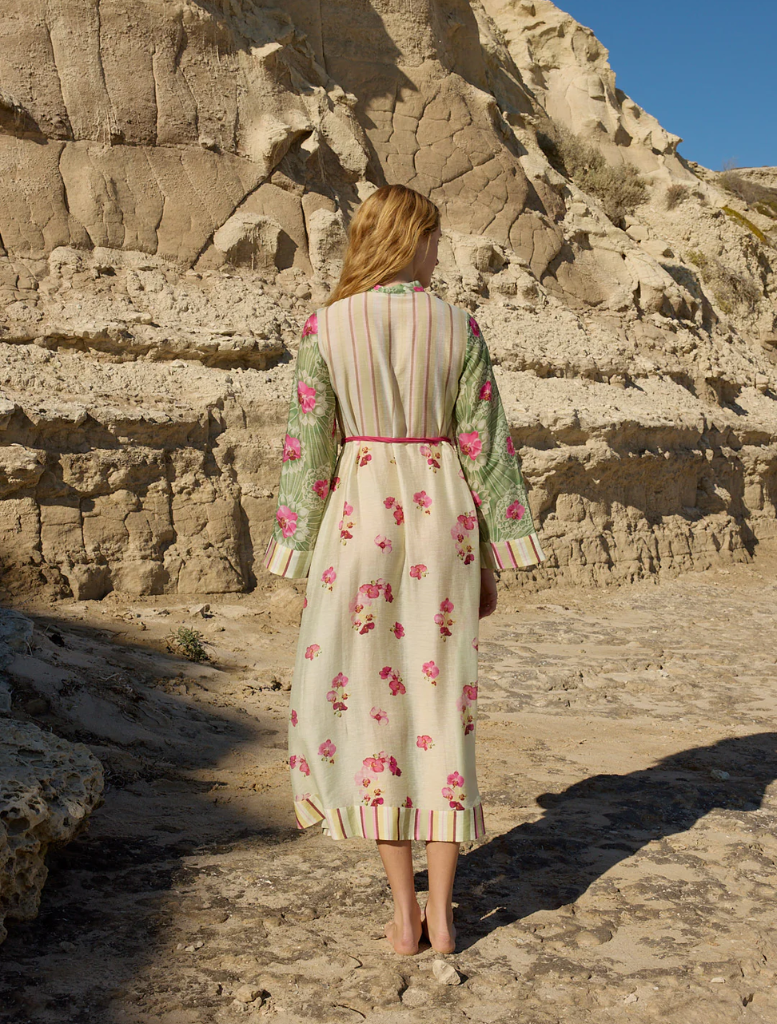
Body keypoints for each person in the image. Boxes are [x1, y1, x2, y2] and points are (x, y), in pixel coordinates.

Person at [263, 184, 547, 956]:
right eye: (431, 238)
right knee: (438, 708)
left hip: (359, 520)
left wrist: (297, 557)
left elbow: (307, 454)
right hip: (440, 522)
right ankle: (449, 914)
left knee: (374, 718)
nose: (436, 253)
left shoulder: (325, 327)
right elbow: (487, 444)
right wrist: (502, 552)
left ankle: (403, 913)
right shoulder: (459, 325)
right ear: (408, 240)